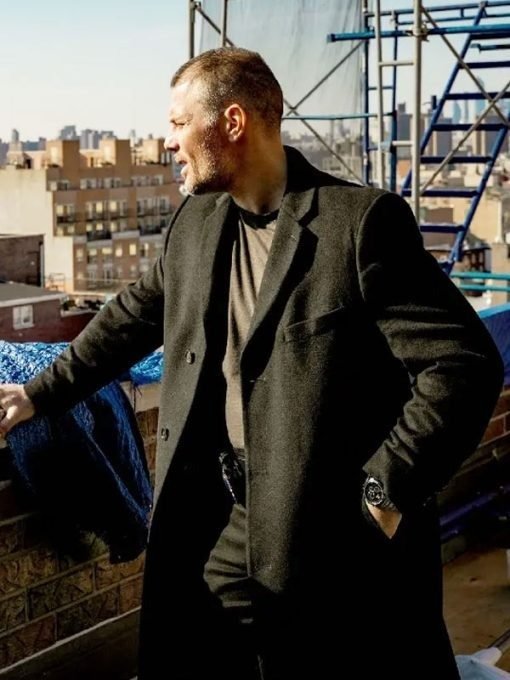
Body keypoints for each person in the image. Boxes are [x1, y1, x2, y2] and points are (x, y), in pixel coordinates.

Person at [0, 47, 503, 679]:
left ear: (232, 122)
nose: (168, 141)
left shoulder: (358, 225)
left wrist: (385, 493)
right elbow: (133, 315)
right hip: (220, 514)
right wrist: (39, 394)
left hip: (328, 526)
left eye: (179, 123)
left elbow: (463, 364)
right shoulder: (196, 221)